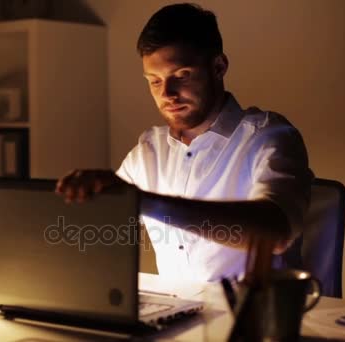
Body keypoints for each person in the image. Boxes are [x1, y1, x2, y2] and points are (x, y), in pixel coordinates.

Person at [55, 3, 313, 282]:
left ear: (218, 66)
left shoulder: (269, 137)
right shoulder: (148, 152)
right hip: (177, 312)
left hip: (255, 316)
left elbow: (275, 232)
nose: (167, 94)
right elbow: (100, 225)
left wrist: (148, 203)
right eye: (154, 81)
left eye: (181, 76)